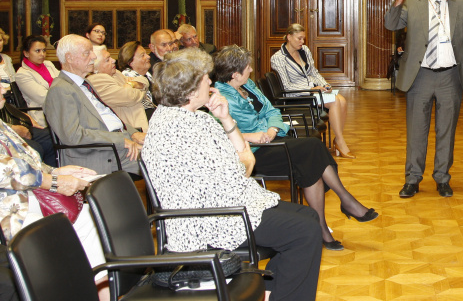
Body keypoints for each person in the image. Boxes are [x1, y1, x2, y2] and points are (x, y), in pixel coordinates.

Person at [142, 48, 322, 301]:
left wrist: (226, 119)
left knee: (308, 216)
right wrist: (245, 159)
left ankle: (270, 291)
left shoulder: (193, 117)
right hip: (205, 219)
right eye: (205, 78)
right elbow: (243, 168)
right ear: (191, 91)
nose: (210, 81)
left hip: (221, 204)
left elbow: (241, 159)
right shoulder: (183, 128)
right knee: (305, 231)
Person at [214, 45, 378, 250]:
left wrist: (272, 129)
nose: (251, 70)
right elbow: (220, 135)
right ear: (235, 74)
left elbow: (271, 110)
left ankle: (326, 224)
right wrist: (255, 135)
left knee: (311, 163)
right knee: (312, 149)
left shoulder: (248, 85)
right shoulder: (222, 99)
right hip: (253, 153)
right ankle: (345, 202)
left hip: (272, 140)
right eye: (247, 67)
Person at [384, 0, 463, 198]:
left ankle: (442, 178)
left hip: (450, 76)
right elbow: (391, 25)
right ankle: (412, 179)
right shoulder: (412, 4)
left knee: (447, 130)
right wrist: (398, 2)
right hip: (420, 76)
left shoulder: (461, 4)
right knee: (416, 131)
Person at [0, 92, 107, 301]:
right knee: (49, 232)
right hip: (10, 208)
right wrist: (54, 181)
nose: (4, 89)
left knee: (87, 216)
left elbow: (26, 160)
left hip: (27, 194)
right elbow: (4, 171)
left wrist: (56, 171)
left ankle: (104, 294)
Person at [44, 35, 144, 175]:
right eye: (87, 53)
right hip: (101, 154)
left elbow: (106, 118)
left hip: (116, 144)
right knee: (166, 161)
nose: (93, 57)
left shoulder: (84, 83)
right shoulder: (60, 89)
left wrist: (134, 133)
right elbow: (73, 136)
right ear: (69, 58)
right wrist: (120, 140)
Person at [271, 24, 354, 158]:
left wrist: (325, 84)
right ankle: (340, 141)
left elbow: (314, 73)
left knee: (342, 101)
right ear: (289, 37)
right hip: (298, 95)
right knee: (335, 102)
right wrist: (311, 90)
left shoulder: (305, 50)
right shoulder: (278, 58)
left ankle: (338, 139)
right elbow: (286, 86)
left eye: (303, 38)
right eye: (299, 38)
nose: (302, 41)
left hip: (314, 91)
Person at [87, 45, 149, 132]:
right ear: (95, 68)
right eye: (107, 60)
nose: (113, 60)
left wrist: (131, 84)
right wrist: (135, 86)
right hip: (131, 129)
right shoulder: (96, 81)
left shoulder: (116, 73)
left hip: (143, 120)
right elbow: (129, 97)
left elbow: (144, 81)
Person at [15, 35, 59, 128]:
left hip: (59, 107)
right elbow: (44, 97)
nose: (42, 54)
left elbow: (63, 82)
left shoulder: (48, 64)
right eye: (37, 51)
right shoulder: (22, 74)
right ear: (26, 53)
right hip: (43, 115)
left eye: (44, 50)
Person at [116, 40, 156, 117]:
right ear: (130, 62)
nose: (148, 56)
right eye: (142, 55)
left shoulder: (147, 75)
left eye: (146, 54)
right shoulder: (127, 78)